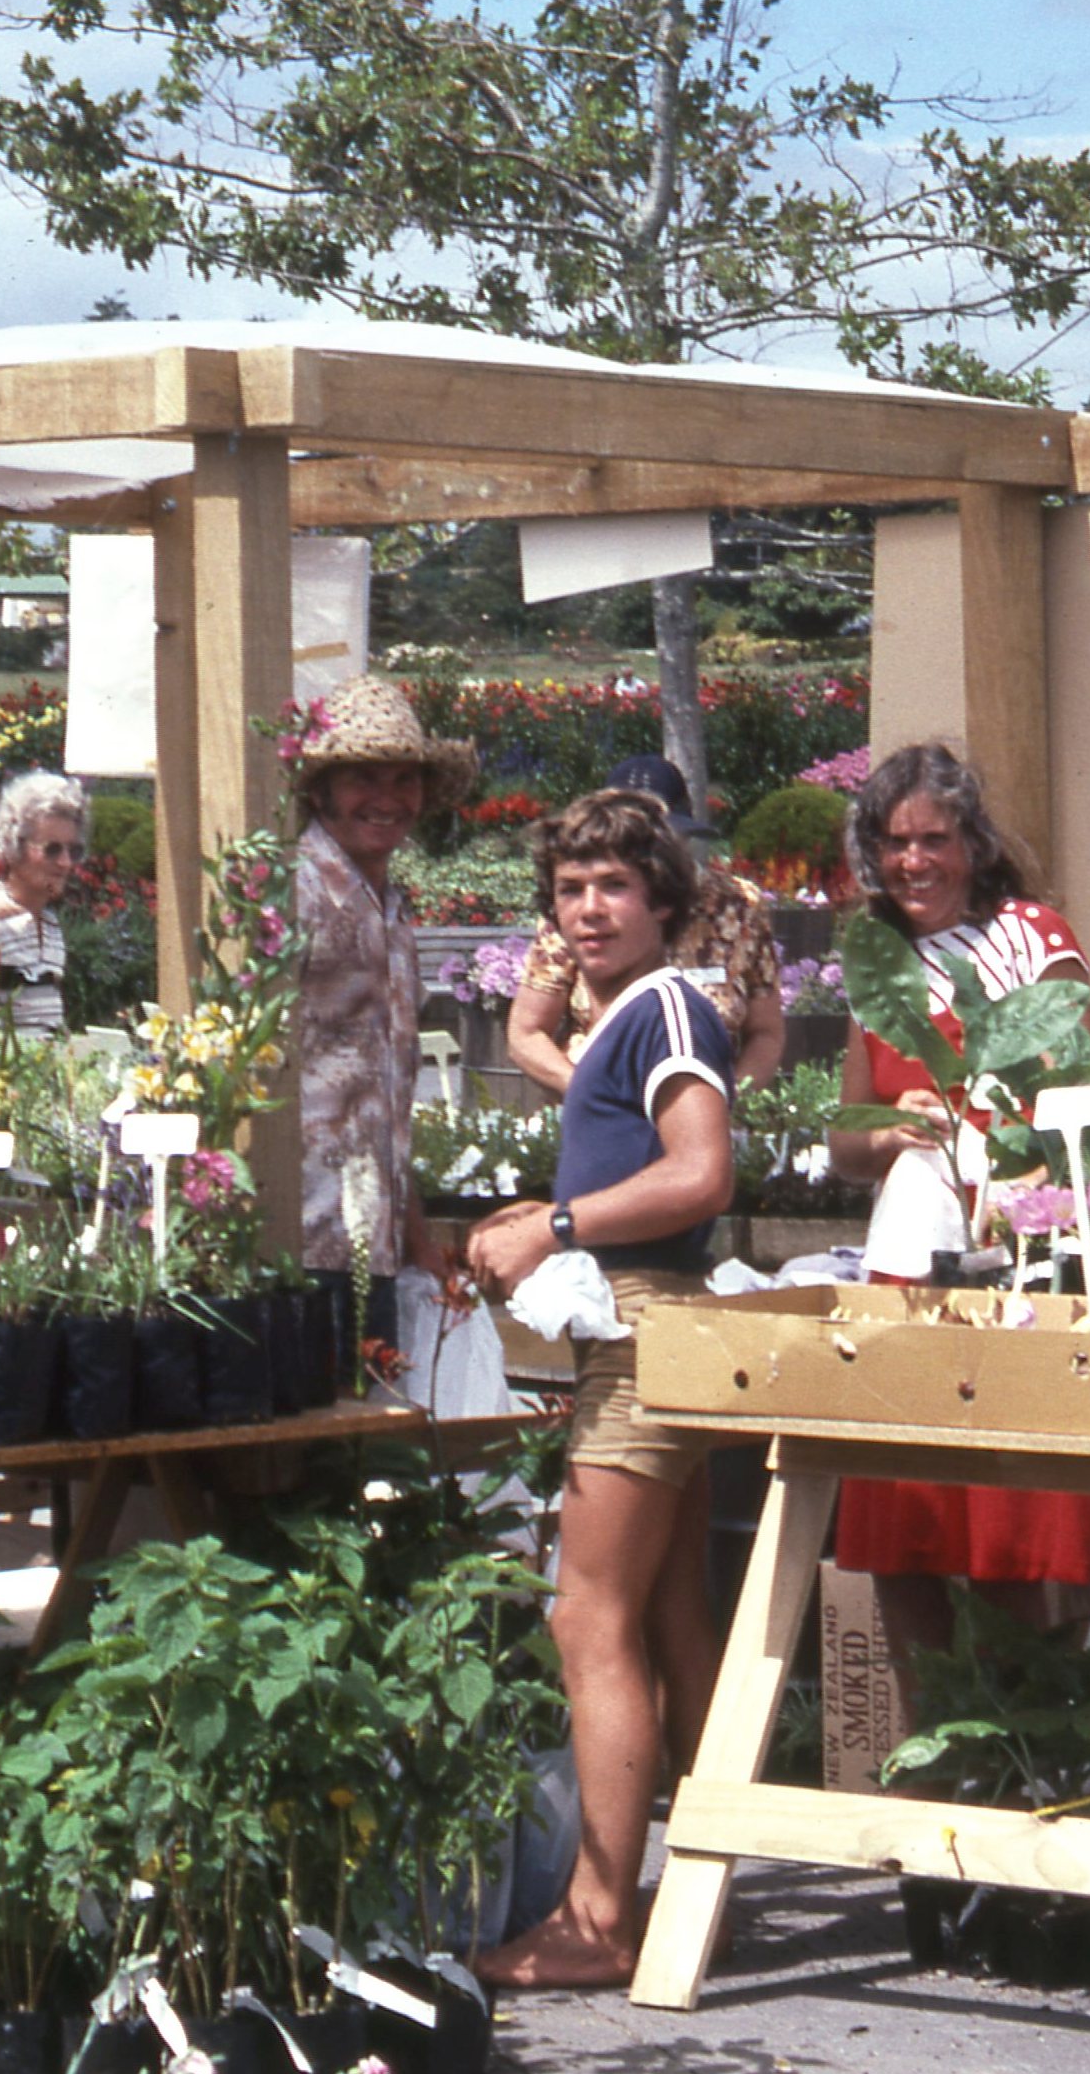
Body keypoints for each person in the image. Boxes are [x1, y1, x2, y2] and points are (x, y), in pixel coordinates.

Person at [461, 789, 737, 1991]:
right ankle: (707, 1879)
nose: (587, 910)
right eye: (570, 891)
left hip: (641, 1335)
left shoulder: (669, 1004)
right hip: (638, 1324)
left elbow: (699, 1172)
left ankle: (595, 1922)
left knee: (588, 1618)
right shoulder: (631, 1012)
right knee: (671, 1619)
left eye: (613, 887)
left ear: (664, 901)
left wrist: (557, 1225)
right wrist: (547, 1219)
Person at [822, 741, 1090, 1594]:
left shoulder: (1030, 937)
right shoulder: (876, 960)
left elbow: (1087, 1101)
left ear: (971, 843)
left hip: (1019, 1251)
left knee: (1016, 1529)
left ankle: (1022, 1722)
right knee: (904, 1521)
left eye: (933, 840)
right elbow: (845, 1146)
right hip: (909, 1256)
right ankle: (929, 1720)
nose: (914, 862)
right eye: (895, 843)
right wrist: (886, 1134)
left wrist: (1022, 1157)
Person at [288, 678, 471, 1280]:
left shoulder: (389, 909)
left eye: (403, 779)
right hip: (301, 1235)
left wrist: (420, 1247)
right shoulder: (296, 894)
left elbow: (387, 1106)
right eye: (363, 777)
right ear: (321, 791)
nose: (386, 799)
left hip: (371, 1240)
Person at [506, 755, 784, 1090]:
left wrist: (728, 1102)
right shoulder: (579, 910)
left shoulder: (739, 905)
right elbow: (526, 1032)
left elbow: (766, 1033)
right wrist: (592, 1097)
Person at [0, 771, 90, 1040]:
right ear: (12, 846)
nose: (66, 863)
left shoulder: (50, 924)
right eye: (52, 850)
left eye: (74, 851)